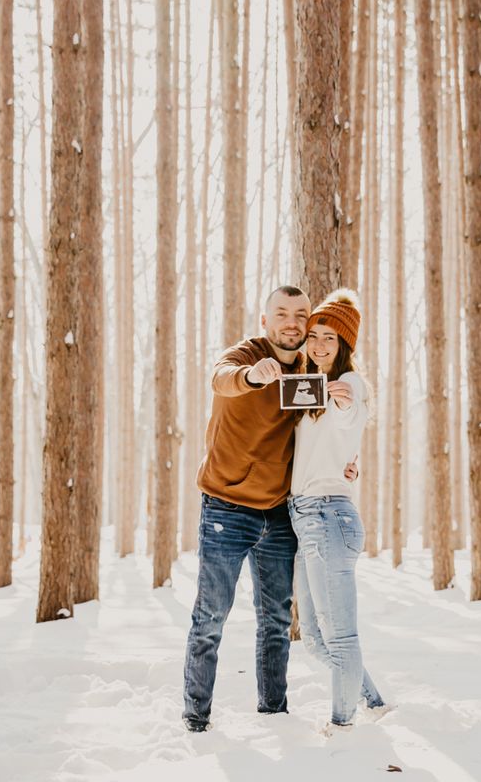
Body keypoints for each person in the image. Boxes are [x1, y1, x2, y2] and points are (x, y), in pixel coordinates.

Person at [181, 285, 312, 733]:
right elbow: (222, 377)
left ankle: (274, 714)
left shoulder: (310, 373)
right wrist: (254, 376)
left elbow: (318, 435)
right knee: (211, 616)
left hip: (279, 512)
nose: (290, 322)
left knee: (276, 620)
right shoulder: (245, 356)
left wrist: (343, 463)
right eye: (281, 313)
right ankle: (196, 719)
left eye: (300, 314)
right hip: (226, 507)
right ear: (265, 320)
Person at [288, 288, 386, 732]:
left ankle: (343, 726)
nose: (320, 345)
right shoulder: (307, 390)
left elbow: (349, 410)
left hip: (328, 517)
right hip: (304, 518)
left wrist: (344, 402)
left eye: (330, 338)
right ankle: (373, 702)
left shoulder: (349, 385)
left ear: (345, 344)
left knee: (341, 636)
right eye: (314, 336)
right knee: (313, 637)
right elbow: (333, 443)